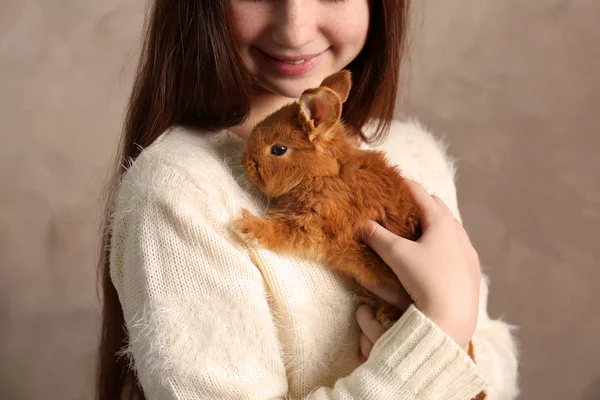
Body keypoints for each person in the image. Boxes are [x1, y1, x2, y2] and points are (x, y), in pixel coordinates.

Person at [97, 0, 519, 399]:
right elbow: (452, 333)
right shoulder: (179, 193)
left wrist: (450, 345)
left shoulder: (414, 155)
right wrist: (438, 336)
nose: (295, 31)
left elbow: (491, 352)